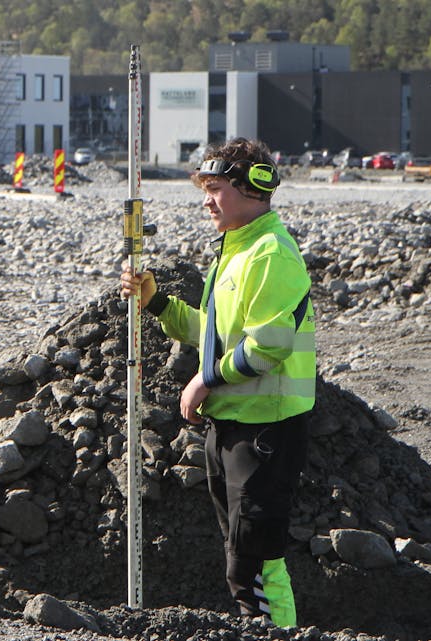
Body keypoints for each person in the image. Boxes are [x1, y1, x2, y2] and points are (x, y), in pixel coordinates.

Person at [120, 137, 315, 628]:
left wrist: (204, 381)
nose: (207, 200)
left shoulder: (270, 253)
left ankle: (277, 633)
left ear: (255, 188)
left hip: (264, 429)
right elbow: (213, 333)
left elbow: (269, 346)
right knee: (245, 555)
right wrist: (158, 304)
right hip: (233, 426)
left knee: (253, 562)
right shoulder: (236, 251)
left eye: (217, 188)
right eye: (204, 189)